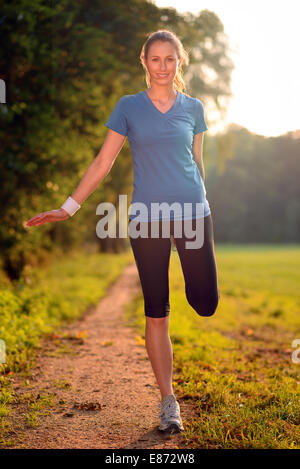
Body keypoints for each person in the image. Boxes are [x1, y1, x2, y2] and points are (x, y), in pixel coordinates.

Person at [25, 29, 220, 434]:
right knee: (156, 312)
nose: (163, 66)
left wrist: (204, 205)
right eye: (155, 59)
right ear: (144, 63)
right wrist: (68, 207)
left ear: (179, 62)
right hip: (147, 217)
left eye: (170, 59)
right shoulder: (128, 107)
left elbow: (196, 161)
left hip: (192, 215)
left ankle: (192, 276)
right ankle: (168, 401)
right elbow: (102, 162)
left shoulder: (195, 108)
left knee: (204, 303)